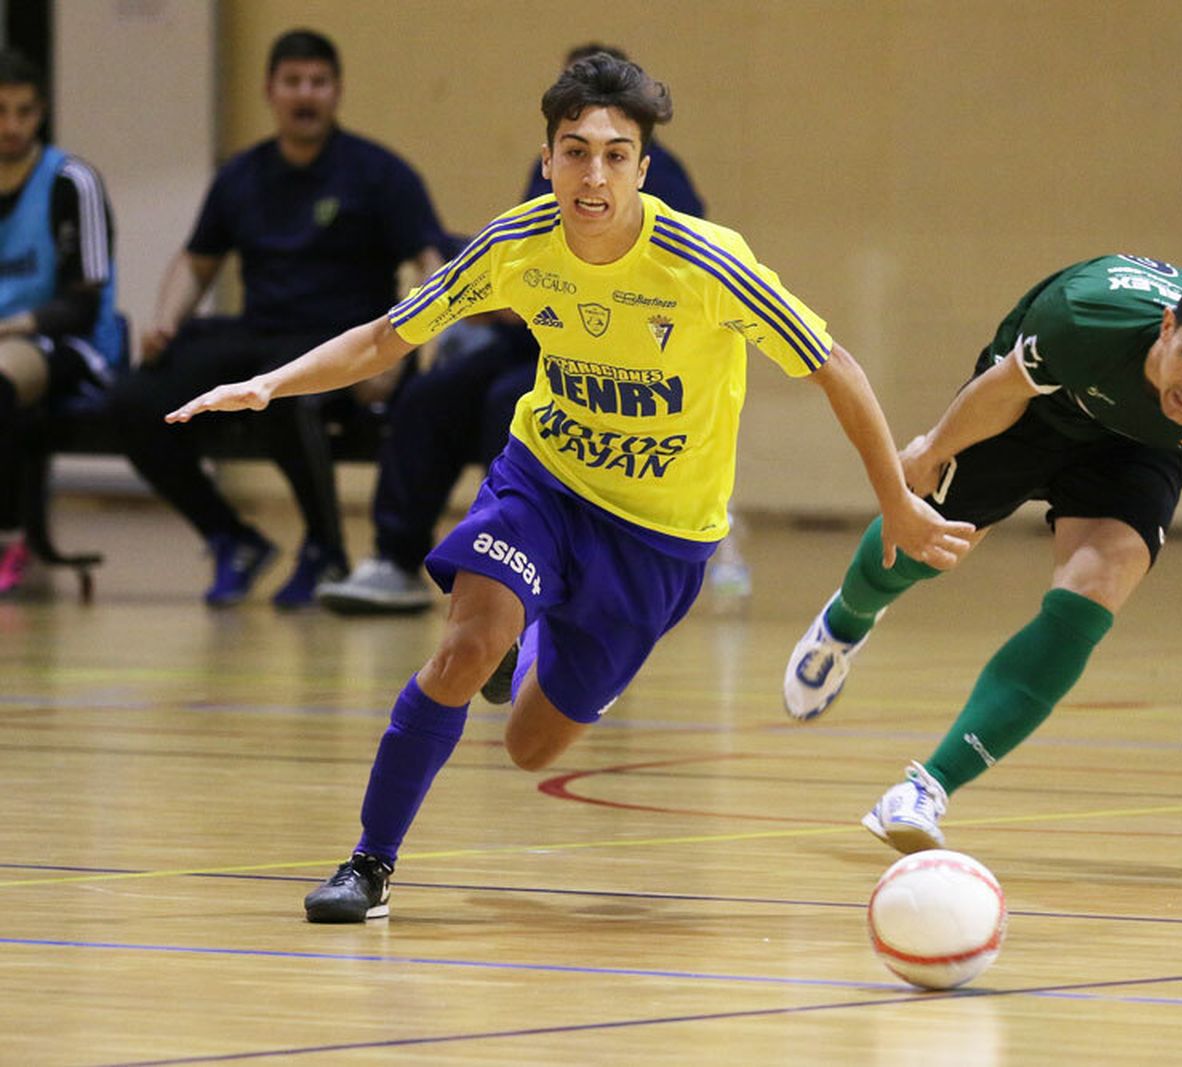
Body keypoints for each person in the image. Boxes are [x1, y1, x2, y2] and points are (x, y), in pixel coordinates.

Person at [164, 53, 973, 922]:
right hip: (545, 480)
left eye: (615, 155)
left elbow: (836, 366)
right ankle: (370, 863)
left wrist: (896, 502)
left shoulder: (708, 263)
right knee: (464, 650)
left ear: (643, 169)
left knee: (529, 746)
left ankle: (534, 640)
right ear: (547, 158)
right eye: (576, 151)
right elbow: (385, 337)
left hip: (660, 538)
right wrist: (270, 384)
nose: (593, 175)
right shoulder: (514, 244)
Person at [782, 254, 1182, 854]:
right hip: (1037, 406)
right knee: (930, 543)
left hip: (1141, 449)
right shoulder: (1088, 317)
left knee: (1097, 589)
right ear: (1167, 325)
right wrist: (933, 450)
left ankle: (925, 790)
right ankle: (847, 620)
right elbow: (1005, 388)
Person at [317, 41, 720, 617]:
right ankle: (394, 560)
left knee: (510, 404)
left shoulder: (664, 179)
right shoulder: (549, 165)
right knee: (432, 396)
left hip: (619, 359)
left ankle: (521, 571)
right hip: (532, 338)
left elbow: (679, 297)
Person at [111, 29, 445, 608]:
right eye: (293, 82)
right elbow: (196, 262)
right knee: (134, 400)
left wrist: (401, 349)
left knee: (285, 392)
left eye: (318, 82)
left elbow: (432, 264)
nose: (305, 94)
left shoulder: (379, 173)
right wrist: (164, 321)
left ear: (337, 91)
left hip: (343, 341)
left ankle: (326, 551)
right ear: (270, 91)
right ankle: (230, 537)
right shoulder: (241, 176)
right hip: (258, 331)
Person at [0, 49, 121, 595]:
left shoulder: (72, 182)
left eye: (24, 112)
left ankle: (9, 535)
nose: (12, 126)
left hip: (69, 341)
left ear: (41, 112)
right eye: (1, 112)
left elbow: (83, 303)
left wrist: (15, 326)